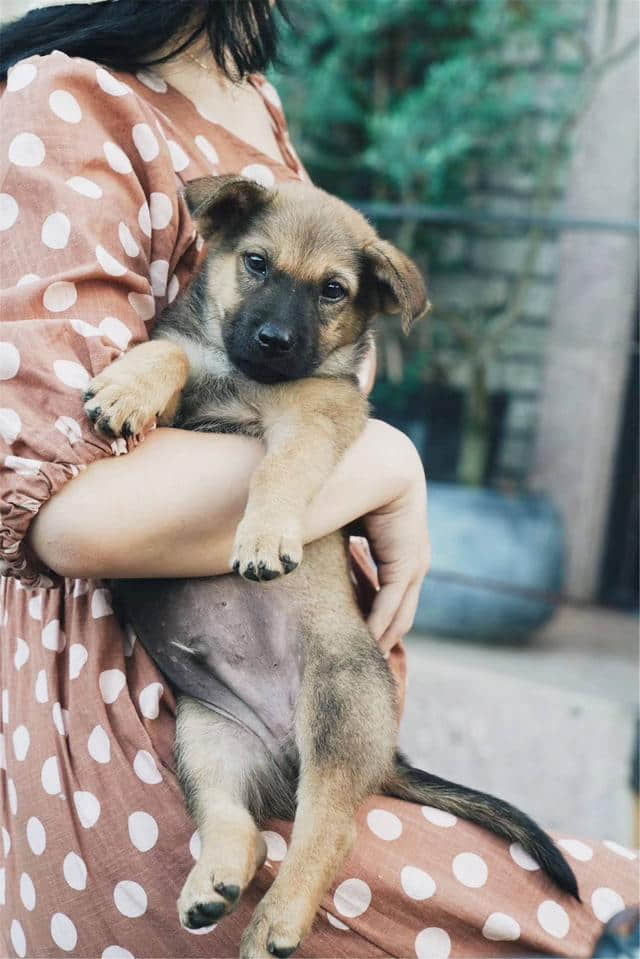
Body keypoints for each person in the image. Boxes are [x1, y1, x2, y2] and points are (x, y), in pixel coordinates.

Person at [0, 2, 635, 957]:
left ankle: (283, 855)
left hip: (313, 721)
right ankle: (242, 846)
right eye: (257, 271)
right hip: (137, 742)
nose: (276, 318)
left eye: (324, 294)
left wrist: (365, 446)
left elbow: (328, 380)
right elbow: (66, 512)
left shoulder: (255, 95)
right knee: (601, 922)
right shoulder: (67, 94)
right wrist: (384, 460)